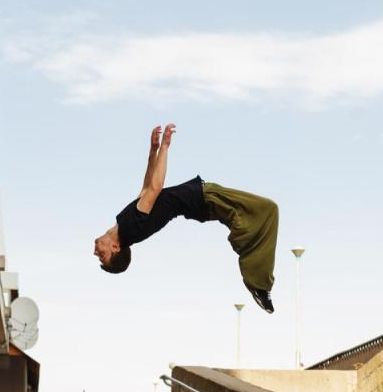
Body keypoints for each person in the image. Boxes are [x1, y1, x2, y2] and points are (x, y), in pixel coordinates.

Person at [94, 124, 279, 313]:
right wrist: (165, 146)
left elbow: (146, 188)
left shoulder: (125, 224)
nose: (96, 253)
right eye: (102, 255)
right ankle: (259, 285)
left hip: (205, 200)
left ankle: (258, 281)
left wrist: (153, 151)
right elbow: (155, 187)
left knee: (260, 216)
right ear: (116, 247)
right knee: (268, 209)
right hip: (206, 199)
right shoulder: (130, 228)